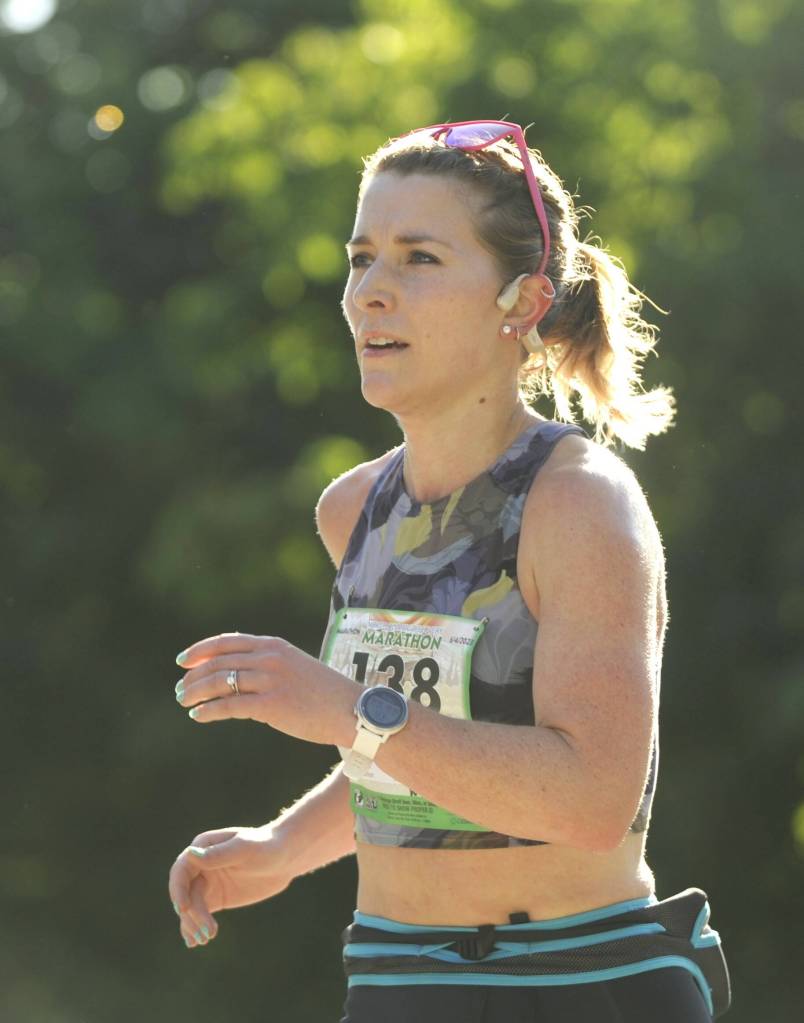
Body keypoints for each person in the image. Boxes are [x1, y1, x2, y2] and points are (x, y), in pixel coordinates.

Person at [168, 121, 730, 1021]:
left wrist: (345, 708)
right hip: (397, 978)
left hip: (580, 982)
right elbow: (426, 753)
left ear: (521, 299)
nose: (370, 294)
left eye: (419, 258)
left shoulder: (578, 502)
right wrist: (285, 845)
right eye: (360, 259)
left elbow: (591, 799)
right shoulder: (349, 509)